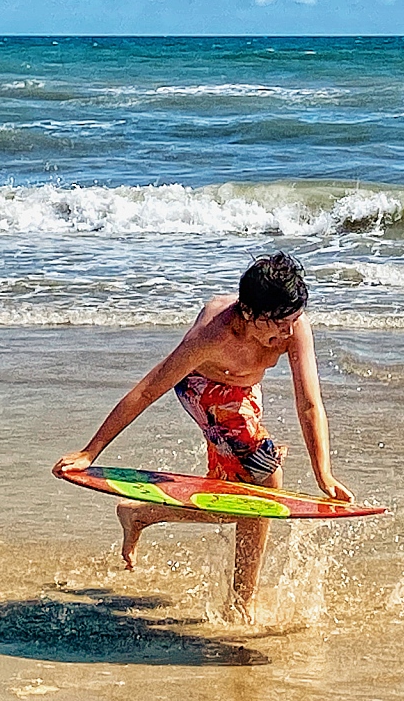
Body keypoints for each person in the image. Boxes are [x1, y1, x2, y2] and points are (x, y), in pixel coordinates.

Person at [53, 252, 353, 624]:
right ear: (248, 312)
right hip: (202, 387)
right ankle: (242, 604)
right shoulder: (213, 335)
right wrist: (90, 450)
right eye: (278, 325)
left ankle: (142, 515)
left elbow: (309, 402)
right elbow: (148, 390)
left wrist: (322, 472)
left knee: (237, 505)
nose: (287, 334)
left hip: (242, 394)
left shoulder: (292, 325)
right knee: (265, 474)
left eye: (293, 321)